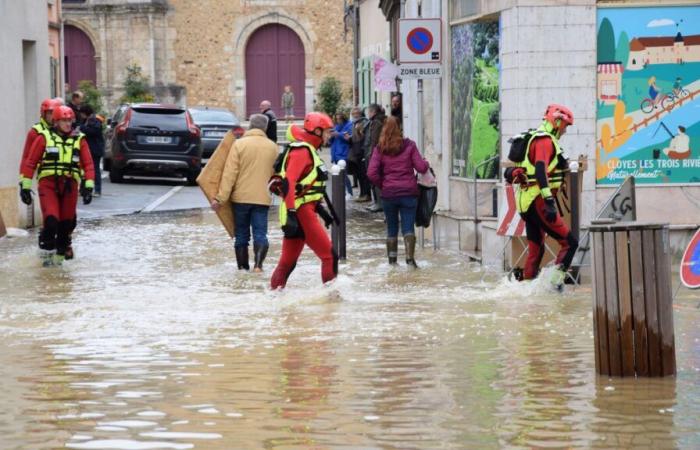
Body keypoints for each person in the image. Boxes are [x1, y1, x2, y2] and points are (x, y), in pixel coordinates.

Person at [505, 104, 578, 290]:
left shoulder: (535, 138)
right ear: (557, 121)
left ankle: (526, 290)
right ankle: (554, 286)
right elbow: (540, 171)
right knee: (570, 243)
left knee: (536, 250)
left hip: (526, 203)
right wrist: (549, 201)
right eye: (565, 126)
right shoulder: (545, 140)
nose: (565, 130)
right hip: (538, 201)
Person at [19, 106, 95, 266]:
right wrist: (25, 186)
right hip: (49, 184)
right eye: (64, 121)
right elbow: (30, 162)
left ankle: (59, 264)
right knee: (52, 220)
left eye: (70, 120)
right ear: (56, 121)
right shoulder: (43, 137)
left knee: (66, 225)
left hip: (70, 185)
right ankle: (46, 254)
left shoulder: (79, 139)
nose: (68, 124)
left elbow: (88, 164)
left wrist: (88, 186)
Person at [269, 112, 337, 289]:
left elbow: (306, 185)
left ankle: (275, 299)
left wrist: (321, 210)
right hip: (299, 211)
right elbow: (289, 182)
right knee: (330, 256)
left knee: (287, 263)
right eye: (327, 132)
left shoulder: (307, 149)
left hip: (302, 209)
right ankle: (332, 302)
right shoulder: (302, 151)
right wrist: (292, 212)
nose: (329, 136)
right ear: (316, 131)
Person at [211, 114, 279, 272]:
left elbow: (230, 174)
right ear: (265, 128)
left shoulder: (239, 145)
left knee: (241, 236)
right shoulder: (273, 147)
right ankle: (258, 266)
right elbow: (277, 175)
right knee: (260, 234)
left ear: (250, 126)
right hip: (262, 198)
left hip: (240, 198)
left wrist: (220, 198)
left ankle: (242, 269)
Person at [367, 116, 429, 268]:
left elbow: (371, 173)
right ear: (400, 128)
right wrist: (426, 162)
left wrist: (384, 184)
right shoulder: (409, 145)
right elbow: (421, 168)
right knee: (408, 227)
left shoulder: (380, 148)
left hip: (389, 194)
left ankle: (392, 262)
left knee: (392, 228)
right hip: (409, 193)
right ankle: (410, 260)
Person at [364, 104, 387, 212]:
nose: (368, 113)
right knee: (372, 178)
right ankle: (376, 201)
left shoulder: (377, 123)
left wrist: (372, 154)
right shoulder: (373, 122)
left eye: (369, 111)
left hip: (374, 154)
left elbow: (374, 140)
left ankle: (379, 203)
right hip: (372, 153)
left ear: (373, 112)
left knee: (374, 177)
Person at [79, 105, 105, 197]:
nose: (81, 115)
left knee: (95, 169)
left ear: (85, 113)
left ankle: (97, 190)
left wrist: (81, 128)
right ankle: (83, 189)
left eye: (82, 113)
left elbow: (94, 131)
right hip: (88, 148)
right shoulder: (85, 121)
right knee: (85, 169)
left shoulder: (95, 120)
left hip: (95, 149)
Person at [348, 107, 371, 202]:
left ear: (360, 113)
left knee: (364, 175)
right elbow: (354, 138)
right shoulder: (354, 123)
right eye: (353, 113)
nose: (355, 115)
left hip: (362, 151)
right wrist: (349, 138)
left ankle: (366, 194)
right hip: (356, 152)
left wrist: (359, 133)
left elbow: (364, 138)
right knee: (359, 175)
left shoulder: (364, 122)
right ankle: (362, 193)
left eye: (357, 113)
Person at [329, 111, 353, 199]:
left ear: (343, 118)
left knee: (344, 175)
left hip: (343, 153)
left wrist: (337, 134)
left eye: (340, 118)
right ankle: (341, 192)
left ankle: (349, 193)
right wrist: (330, 137)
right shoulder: (335, 126)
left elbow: (349, 138)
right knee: (338, 175)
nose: (338, 120)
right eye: (336, 119)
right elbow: (330, 142)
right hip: (335, 153)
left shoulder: (349, 125)